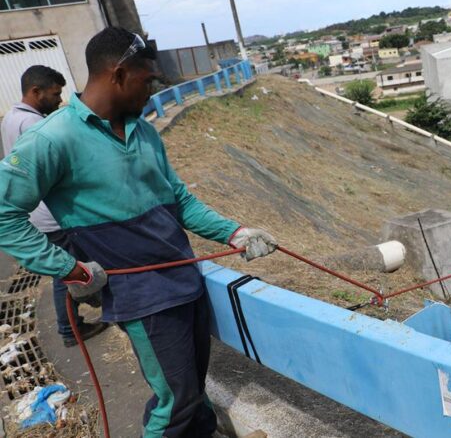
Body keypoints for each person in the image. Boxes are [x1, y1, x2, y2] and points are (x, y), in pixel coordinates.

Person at [0, 27, 276, 437]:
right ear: (118, 73)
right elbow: (6, 216)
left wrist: (235, 233)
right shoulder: (53, 139)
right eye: (147, 81)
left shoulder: (143, 130)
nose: (153, 91)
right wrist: (70, 269)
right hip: (142, 300)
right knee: (174, 401)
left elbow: (180, 201)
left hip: (185, 282)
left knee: (191, 392)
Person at [0, 65, 107, 347]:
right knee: (66, 272)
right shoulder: (35, 126)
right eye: (55, 94)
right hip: (49, 215)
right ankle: (69, 329)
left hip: (37, 211)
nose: (59, 100)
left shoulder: (11, 117)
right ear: (35, 92)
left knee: (66, 271)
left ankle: (74, 322)